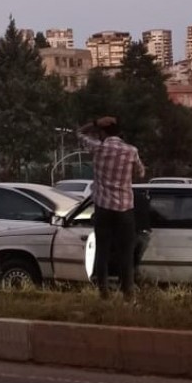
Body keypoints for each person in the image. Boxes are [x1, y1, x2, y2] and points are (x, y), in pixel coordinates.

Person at [78, 116, 146, 300]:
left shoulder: (98, 148)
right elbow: (141, 172)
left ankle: (104, 291)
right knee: (126, 251)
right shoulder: (131, 151)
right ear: (120, 134)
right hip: (125, 208)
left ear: (102, 133)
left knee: (102, 250)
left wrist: (94, 123)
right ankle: (127, 293)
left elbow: (79, 134)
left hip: (103, 208)